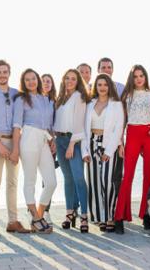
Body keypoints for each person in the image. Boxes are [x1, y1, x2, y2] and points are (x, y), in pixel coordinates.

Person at [0, 60, 30, 238]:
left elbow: (19, 121)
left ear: (9, 74)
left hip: (14, 141)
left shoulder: (18, 95)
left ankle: (13, 221)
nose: (2, 75)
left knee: (12, 183)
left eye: (5, 72)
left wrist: (15, 149)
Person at [114, 65, 150, 233]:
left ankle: (147, 216)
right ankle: (119, 217)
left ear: (146, 77)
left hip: (149, 135)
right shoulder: (127, 95)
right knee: (127, 176)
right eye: (136, 76)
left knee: (149, 177)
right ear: (132, 78)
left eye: (141, 75)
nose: (139, 78)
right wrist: (121, 142)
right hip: (132, 133)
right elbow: (122, 120)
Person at [11, 68, 56, 234]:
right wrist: (15, 149)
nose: (31, 82)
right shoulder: (21, 99)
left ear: (38, 79)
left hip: (44, 140)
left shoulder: (46, 99)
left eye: (33, 79)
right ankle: (36, 218)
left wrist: (53, 140)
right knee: (30, 180)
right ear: (24, 83)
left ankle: (38, 216)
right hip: (28, 137)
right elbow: (16, 125)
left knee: (51, 182)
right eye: (27, 80)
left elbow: (49, 125)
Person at [81, 73, 124, 232]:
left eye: (105, 84)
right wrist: (84, 151)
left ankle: (110, 216)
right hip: (91, 144)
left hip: (108, 146)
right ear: (95, 87)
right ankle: (99, 217)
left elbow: (118, 129)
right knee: (94, 182)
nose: (102, 87)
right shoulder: (89, 104)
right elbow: (83, 129)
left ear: (109, 86)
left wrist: (110, 150)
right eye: (99, 84)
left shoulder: (116, 105)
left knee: (108, 182)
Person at [54, 69, 90, 233]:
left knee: (79, 179)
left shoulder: (79, 97)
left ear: (78, 81)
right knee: (67, 179)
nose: (69, 81)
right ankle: (69, 213)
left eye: (73, 79)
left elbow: (78, 124)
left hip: (72, 141)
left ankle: (84, 216)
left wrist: (71, 145)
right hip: (59, 140)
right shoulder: (60, 98)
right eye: (67, 78)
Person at [41, 73, 57, 224]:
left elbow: (55, 125)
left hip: (50, 143)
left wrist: (54, 141)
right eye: (43, 81)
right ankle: (32, 210)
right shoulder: (34, 100)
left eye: (48, 81)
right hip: (35, 142)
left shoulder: (54, 102)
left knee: (48, 179)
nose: (46, 83)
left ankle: (45, 210)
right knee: (31, 178)